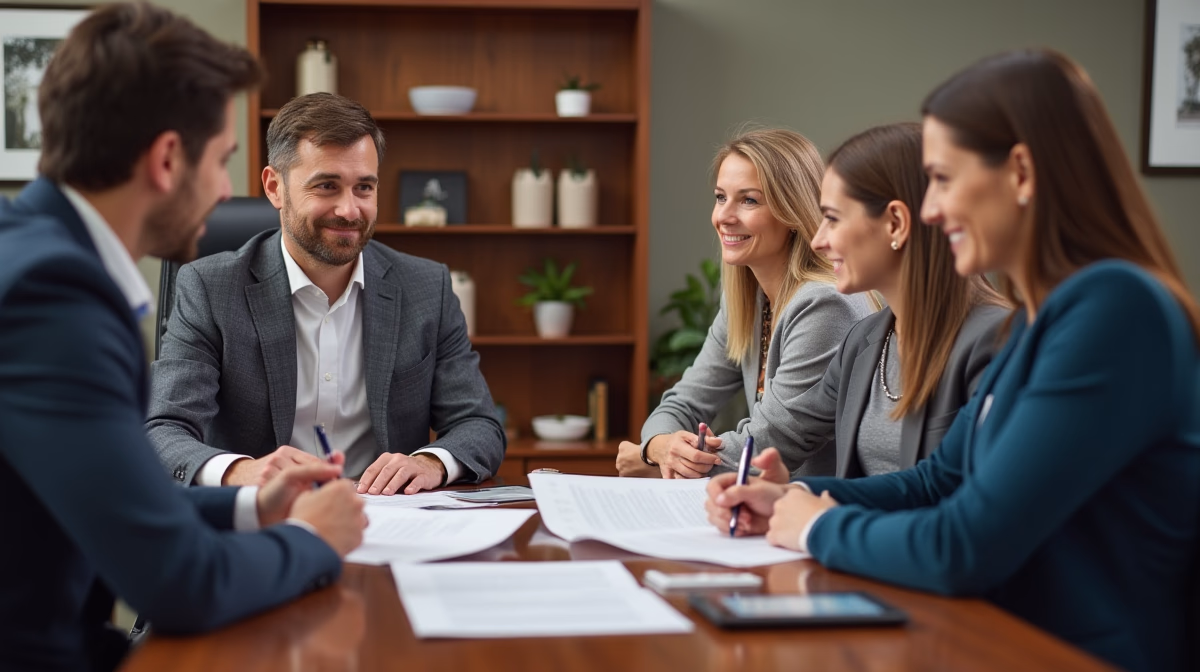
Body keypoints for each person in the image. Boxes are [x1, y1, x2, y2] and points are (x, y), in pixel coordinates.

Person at [706, 49, 1200, 672]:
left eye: (943, 178)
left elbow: (966, 544)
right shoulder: (1040, 320)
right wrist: (792, 495)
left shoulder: (1115, 310)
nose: (930, 210)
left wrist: (814, 527)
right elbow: (939, 480)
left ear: (1019, 173)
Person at [0, 4, 367, 671]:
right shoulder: (54, 298)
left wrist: (253, 508)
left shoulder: (28, 253)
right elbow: (177, 581)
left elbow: (118, 499)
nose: (226, 193)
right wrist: (315, 539)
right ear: (168, 159)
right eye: (223, 162)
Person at [146, 93, 505, 496]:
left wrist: (430, 463)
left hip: (390, 522)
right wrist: (241, 473)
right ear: (274, 187)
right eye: (327, 186)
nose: (350, 210)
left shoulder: (426, 287)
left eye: (364, 188)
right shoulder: (210, 288)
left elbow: (480, 426)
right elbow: (163, 430)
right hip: (264, 523)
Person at [616, 128, 873, 479]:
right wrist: (658, 447)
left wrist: (654, 456)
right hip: (764, 509)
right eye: (721, 197)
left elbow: (771, 444)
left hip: (819, 514)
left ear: (792, 212)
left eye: (749, 200)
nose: (724, 216)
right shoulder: (747, 298)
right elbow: (684, 401)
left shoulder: (824, 304)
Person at [781, 122, 1008, 478]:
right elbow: (790, 430)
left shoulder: (997, 339)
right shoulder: (862, 340)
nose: (818, 241)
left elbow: (966, 504)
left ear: (896, 224)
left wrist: (818, 514)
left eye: (832, 218)